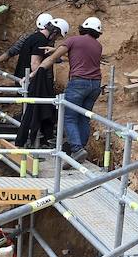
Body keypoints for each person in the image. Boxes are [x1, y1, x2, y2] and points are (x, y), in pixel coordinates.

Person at [35, 16, 103, 161]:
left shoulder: (73, 40)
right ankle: (80, 149)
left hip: (78, 83)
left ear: (83, 27)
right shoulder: (98, 45)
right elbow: (79, 55)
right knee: (83, 118)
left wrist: (35, 73)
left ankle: (76, 149)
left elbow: (52, 59)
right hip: (95, 85)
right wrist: (57, 49)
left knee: (69, 116)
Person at [14, 18, 66, 148]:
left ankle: (34, 142)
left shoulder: (33, 37)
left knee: (31, 112)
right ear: (54, 32)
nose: (56, 39)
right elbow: (35, 63)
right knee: (36, 113)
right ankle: (34, 143)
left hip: (23, 78)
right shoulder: (41, 40)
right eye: (58, 36)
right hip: (31, 82)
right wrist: (35, 76)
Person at [0, 12, 55, 78]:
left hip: (24, 74)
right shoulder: (40, 39)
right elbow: (35, 62)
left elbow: (12, 51)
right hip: (32, 76)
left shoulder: (30, 37)